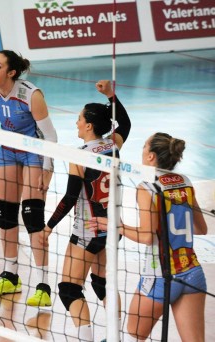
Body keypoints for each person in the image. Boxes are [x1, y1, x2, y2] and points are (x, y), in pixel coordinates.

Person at [0, 50, 58, 307]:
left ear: (11, 72)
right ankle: (11, 275)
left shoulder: (31, 94)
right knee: (5, 215)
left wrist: (47, 170)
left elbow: (51, 138)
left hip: (34, 153)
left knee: (32, 217)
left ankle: (43, 285)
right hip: (7, 151)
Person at [93, 133, 207, 342]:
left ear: (151, 157)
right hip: (192, 272)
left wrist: (116, 226)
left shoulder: (147, 189)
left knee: (133, 334)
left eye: (144, 146)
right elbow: (201, 229)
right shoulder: (185, 182)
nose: (142, 150)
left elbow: (147, 236)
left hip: (160, 276)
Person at [42, 80, 131, 341]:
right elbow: (125, 124)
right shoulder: (113, 146)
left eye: (79, 119)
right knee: (103, 282)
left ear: (89, 125)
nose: (76, 123)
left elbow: (70, 198)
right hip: (113, 228)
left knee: (69, 289)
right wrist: (112, 96)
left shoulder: (80, 156)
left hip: (87, 231)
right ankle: (114, 337)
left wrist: (48, 226)